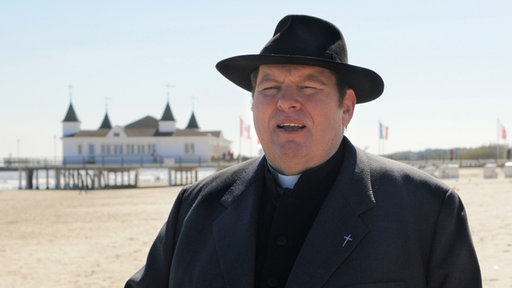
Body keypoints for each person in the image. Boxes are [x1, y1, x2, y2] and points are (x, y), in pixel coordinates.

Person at [125, 14, 481, 288]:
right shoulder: (195, 207)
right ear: (252, 106)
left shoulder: (427, 210)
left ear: (347, 108)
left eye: (309, 86)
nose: (286, 102)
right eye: (270, 87)